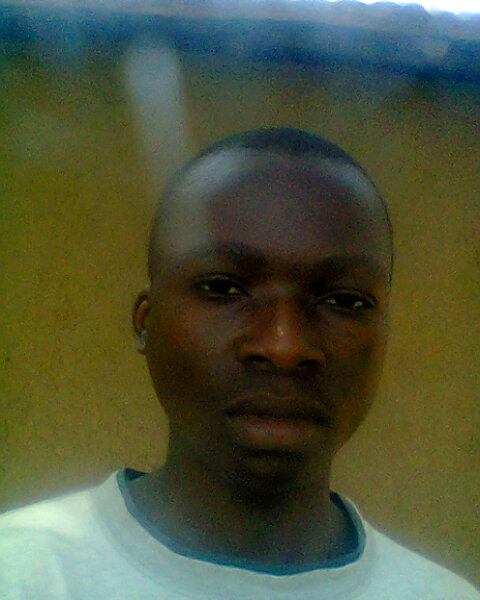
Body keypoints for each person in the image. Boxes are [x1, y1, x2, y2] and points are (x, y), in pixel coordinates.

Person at [1, 128, 478, 599]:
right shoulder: (23, 572)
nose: (285, 347)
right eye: (223, 289)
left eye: (344, 300)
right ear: (146, 322)